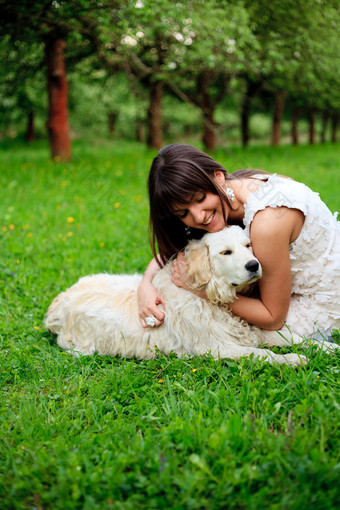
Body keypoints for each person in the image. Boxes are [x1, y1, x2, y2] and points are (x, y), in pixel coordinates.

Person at [137, 143, 340, 340]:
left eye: (199, 199)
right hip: (284, 289)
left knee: (224, 325)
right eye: (183, 213)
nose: (198, 217)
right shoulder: (237, 185)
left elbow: (273, 319)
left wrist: (201, 291)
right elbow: (176, 250)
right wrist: (145, 284)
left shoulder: (267, 222)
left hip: (323, 303)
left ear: (217, 177)